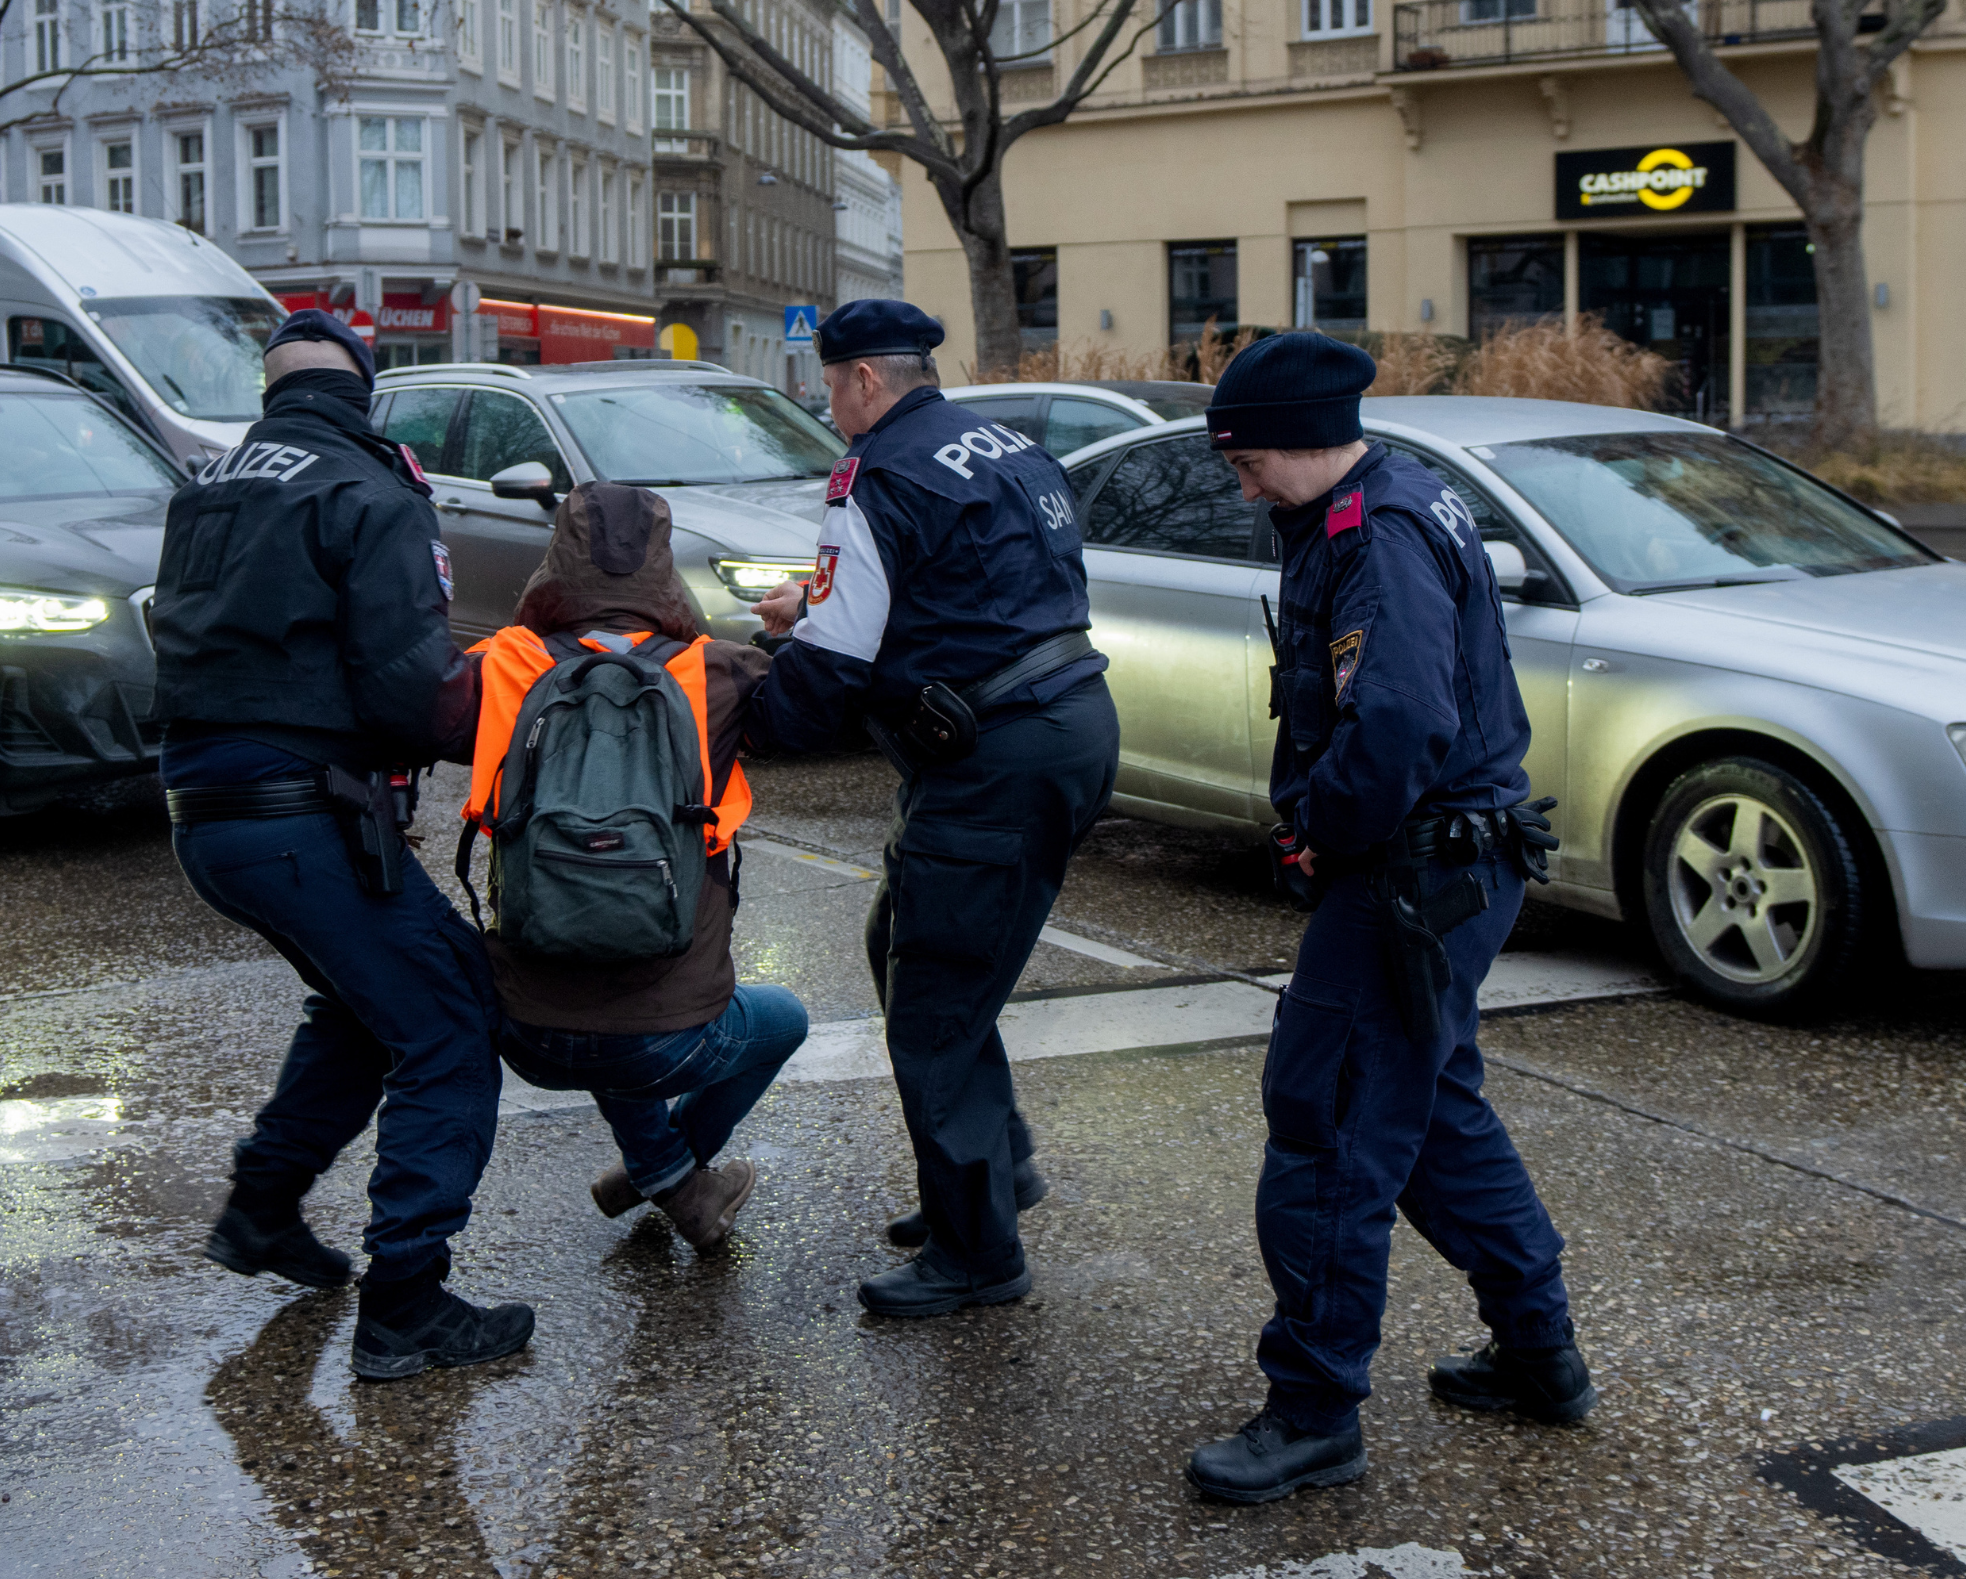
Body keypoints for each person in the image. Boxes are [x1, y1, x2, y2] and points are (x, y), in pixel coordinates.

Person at [1184, 333, 1594, 1505]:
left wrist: (1317, 826)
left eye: (1249, 461)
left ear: (1307, 442)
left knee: (1326, 1123)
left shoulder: (1378, 536)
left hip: (1406, 871)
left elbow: (1399, 720)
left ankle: (1312, 1412)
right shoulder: (1398, 500)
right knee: (1432, 1112)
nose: (1242, 484)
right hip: (1450, 866)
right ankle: (1538, 1354)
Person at [153, 309, 533, 1381]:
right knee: (451, 1017)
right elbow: (408, 688)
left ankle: (262, 1209)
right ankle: (408, 1301)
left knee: (366, 1010)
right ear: (363, 394)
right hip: (300, 820)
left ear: (272, 393)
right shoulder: (371, 491)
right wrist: (515, 710)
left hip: (208, 816)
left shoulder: (211, 485)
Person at [746, 298, 1119, 1318]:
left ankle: (975, 1253)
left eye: (829, 386)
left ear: (865, 379)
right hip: (1058, 724)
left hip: (992, 755)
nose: (830, 405)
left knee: (935, 1001)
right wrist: (815, 606)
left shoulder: (876, 474)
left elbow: (829, 667)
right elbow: (971, 594)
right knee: (907, 941)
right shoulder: (1004, 446)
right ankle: (995, 1167)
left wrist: (740, 717)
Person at [457, 481, 806, 1253]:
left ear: (556, 562)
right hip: (668, 1039)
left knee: (600, 987)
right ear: (663, 568)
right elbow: (816, 712)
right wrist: (804, 618)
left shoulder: (499, 666)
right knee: (782, 1018)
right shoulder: (722, 673)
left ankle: (662, 1171)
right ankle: (673, 1169)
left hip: (527, 1030)